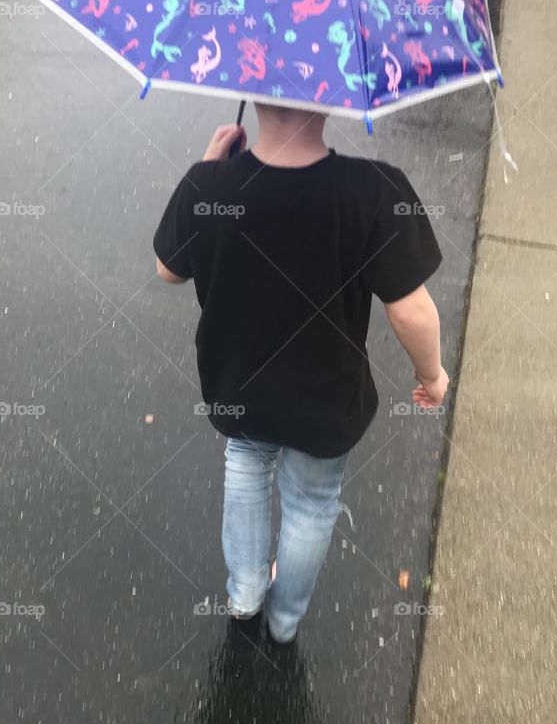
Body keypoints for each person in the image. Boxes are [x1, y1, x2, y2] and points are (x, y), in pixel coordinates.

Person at [153, 103, 448, 644]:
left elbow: (169, 269)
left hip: (238, 384)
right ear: (330, 98)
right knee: (312, 502)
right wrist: (431, 375)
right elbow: (410, 310)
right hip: (325, 398)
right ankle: (285, 620)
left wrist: (208, 169)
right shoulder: (374, 191)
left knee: (245, 463)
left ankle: (244, 593)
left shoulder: (209, 185)